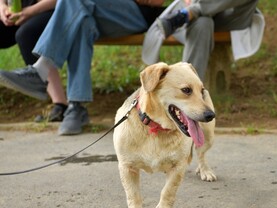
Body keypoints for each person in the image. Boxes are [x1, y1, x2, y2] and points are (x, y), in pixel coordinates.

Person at [0, 0, 165, 135]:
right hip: (99, 12)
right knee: (82, 22)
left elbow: (157, 2)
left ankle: (40, 72)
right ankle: (76, 107)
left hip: (136, 16)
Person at [143, 0, 264, 81]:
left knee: (199, 13)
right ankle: (189, 89)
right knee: (202, 23)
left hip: (232, 15)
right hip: (197, 17)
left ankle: (192, 11)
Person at [0, 0, 68, 121]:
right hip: (17, 12)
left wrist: (30, 11)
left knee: (27, 34)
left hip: (53, 10)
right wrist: (2, 7)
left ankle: (60, 104)